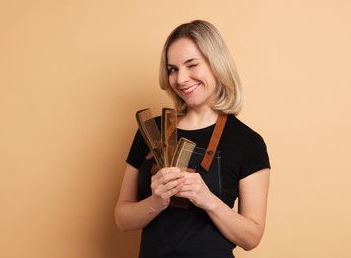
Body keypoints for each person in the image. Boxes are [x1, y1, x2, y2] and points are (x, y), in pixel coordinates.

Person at [115, 19, 271, 258]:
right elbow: (122, 219)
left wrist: (207, 199)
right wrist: (156, 201)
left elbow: (252, 238)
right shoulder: (151, 131)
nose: (181, 79)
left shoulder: (248, 143)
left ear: (216, 64)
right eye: (173, 69)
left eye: (192, 65)